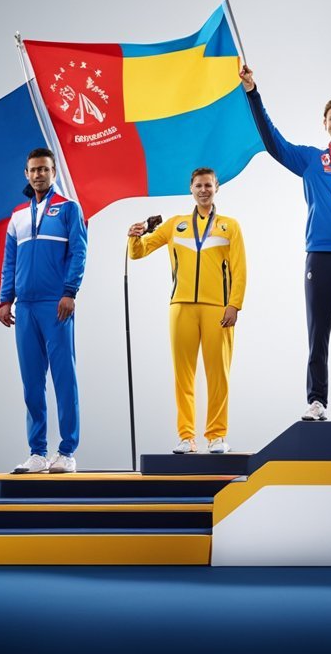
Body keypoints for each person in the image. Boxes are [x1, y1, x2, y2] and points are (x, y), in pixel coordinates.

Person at [240, 65, 331, 422]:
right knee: (317, 332)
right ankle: (317, 401)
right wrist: (253, 93)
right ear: (325, 123)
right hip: (319, 256)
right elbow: (273, 141)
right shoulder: (309, 159)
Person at [128, 167, 246, 454]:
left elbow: (240, 269)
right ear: (191, 189)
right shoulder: (174, 225)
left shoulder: (230, 226)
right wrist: (134, 236)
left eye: (208, 185)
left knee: (218, 374)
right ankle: (186, 436)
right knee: (184, 375)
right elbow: (138, 252)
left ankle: (217, 436)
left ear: (217, 187)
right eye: (198, 186)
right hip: (180, 308)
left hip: (218, 309)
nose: (204, 190)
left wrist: (234, 304)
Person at [0, 148, 87, 474]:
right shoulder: (17, 216)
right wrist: (5, 299)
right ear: (26, 173)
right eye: (33, 170)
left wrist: (69, 292)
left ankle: (66, 452)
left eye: (45, 169)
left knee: (65, 379)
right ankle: (37, 453)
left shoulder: (68, 209)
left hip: (56, 304)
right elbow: (9, 262)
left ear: (53, 173)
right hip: (26, 307)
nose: (39, 174)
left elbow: (79, 252)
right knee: (32, 383)